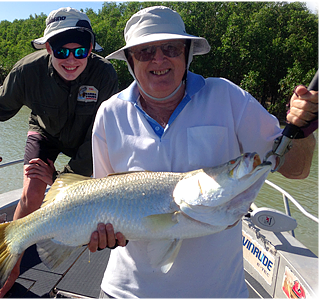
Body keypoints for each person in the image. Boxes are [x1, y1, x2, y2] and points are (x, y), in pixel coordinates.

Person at [87, 6, 317, 298]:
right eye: (145, 52)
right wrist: (101, 236)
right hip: (125, 291)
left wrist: (304, 130)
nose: (159, 59)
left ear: (187, 53)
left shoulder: (229, 97)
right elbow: (100, 198)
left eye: (170, 48)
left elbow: (297, 169)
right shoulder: (110, 114)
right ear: (130, 61)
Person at [0, 7, 118, 298]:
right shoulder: (27, 71)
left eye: (81, 51)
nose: (72, 60)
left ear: (92, 48)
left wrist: (61, 180)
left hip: (88, 140)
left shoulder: (104, 74)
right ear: (47, 46)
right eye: (62, 51)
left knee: (80, 197)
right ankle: (8, 274)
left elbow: (102, 135)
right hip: (44, 132)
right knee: (31, 193)